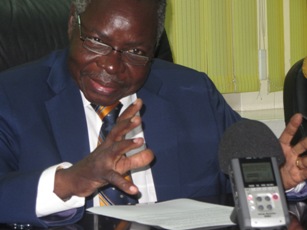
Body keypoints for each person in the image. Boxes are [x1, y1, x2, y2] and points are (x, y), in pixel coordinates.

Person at [0, 0, 307, 228]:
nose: (111, 65)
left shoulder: (192, 92)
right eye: (96, 41)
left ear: (153, 47)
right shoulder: (11, 96)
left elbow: (245, 176)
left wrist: (280, 178)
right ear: (72, 24)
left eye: (135, 52)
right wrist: (69, 181)